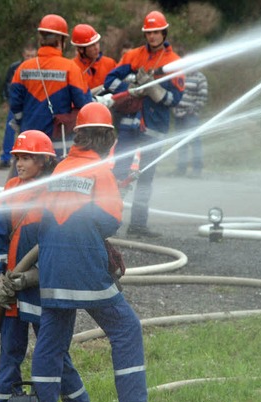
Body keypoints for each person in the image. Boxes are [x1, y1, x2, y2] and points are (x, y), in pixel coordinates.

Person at [31, 102, 159, 402]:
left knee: (52, 340)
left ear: (79, 136)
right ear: (105, 138)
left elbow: (46, 218)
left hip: (52, 268)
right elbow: (111, 222)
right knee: (125, 328)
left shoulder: (60, 169)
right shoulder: (101, 172)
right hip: (85, 267)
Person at [0, 130, 105, 402]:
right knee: (11, 350)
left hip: (41, 288)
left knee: (54, 349)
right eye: (17, 157)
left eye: (26, 158)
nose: (19, 163)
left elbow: (60, 245)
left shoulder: (55, 192)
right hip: (10, 289)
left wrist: (33, 277)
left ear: (45, 162)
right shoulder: (11, 188)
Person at [104, 10, 185, 238]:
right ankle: (109, 220)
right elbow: (110, 80)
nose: (152, 37)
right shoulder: (132, 56)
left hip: (155, 127)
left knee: (145, 178)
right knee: (118, 172)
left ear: (164, 32)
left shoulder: (174, 62)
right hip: (129, 125)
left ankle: (138, 224)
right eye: (149, 33)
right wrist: (132, 86)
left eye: (156, 32)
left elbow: (174, 99)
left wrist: (154, 90)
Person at [10, 14, 92, 158]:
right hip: (58, 143)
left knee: (25, 179)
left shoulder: (23, 68)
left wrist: (22, 122)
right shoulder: (70, 68)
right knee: (56, 179)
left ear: (40, 39)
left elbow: (15, 104)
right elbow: (83, 104)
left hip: (29, 142)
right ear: (61, 40)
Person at [0, 44, 37, 169]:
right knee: (10, 129)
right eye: (27, 55)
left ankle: (31, 156)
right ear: (23, 55)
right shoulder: (15, 68)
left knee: (31, 131)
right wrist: (9, 100)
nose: (29, 58)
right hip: (17, 104)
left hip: (32, 105)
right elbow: (7, 85)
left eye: (32, 55)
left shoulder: (40, 68)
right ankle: (5, 157)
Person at [171, 45, 208, 178]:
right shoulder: (180, 76)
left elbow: (202, 96)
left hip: (191, 116)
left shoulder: (200, 78)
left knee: (195, 142)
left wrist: (193, 110)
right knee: (180, 143)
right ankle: (181, 169)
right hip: (178, 114)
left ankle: (197, 170)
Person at [70, 24, 117, 96]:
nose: (96, 48)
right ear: (80, 49)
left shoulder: (110, 64)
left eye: (97, 43)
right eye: (92, 45)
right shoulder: (72, 67)